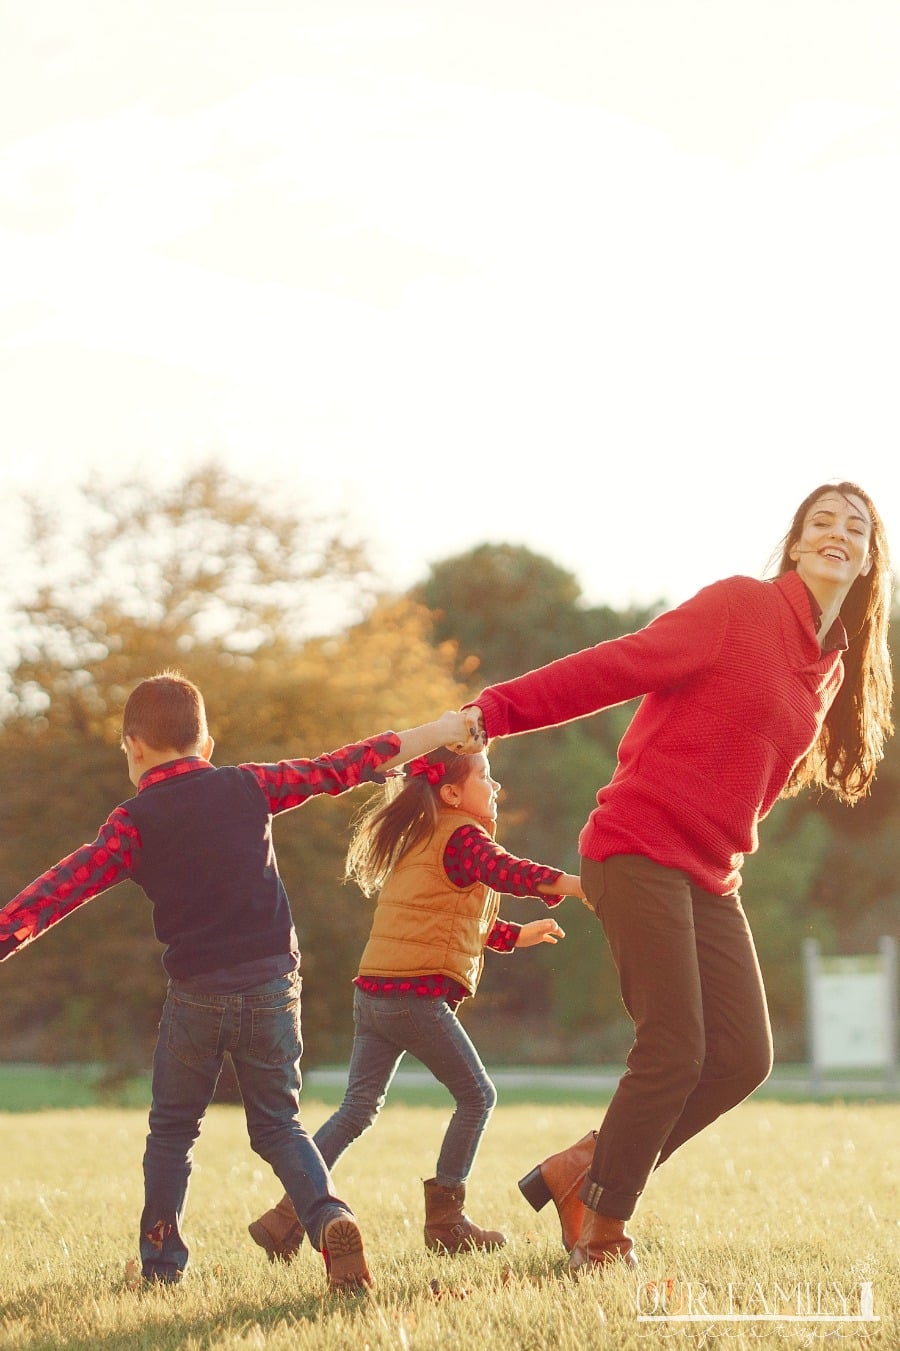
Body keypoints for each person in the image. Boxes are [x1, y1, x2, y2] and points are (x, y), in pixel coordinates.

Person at [461, 482, 893, 1273]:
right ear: (796, 544)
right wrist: (496, 711)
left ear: (870, 560)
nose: (838, 534)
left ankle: (583, 1168)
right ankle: (602, 1224)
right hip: (636, 845)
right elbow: (615, 665)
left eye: (855, 528)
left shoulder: (830, 665)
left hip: (709, 870)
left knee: (743, 1057)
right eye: (821, 522)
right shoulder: (738, 605)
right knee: (674, 1046)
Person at [0, 671, 484, 1292]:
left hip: (196, 996)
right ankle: (329, 1216)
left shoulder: (132, 822)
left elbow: (59, 890)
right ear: (206, 743)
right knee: (279, 1126)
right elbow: (345, 765)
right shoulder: (247, 785)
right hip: (272, 989)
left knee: (173, 1130)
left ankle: (161, 1262)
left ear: (134, 747)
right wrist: (444, 731)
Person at [248, 741, 582, 1261]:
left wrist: (518, 936)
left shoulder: (425, 836)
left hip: (375, 991)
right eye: (485, 778)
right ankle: (446, 1222)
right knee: (478, 1096)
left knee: (356, 1110)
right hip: (413, 997)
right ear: (452, 792)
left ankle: (285, 1217)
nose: (496, 787)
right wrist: (579, 886)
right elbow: (508, 871)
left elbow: (456, 919)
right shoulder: (462, 835)